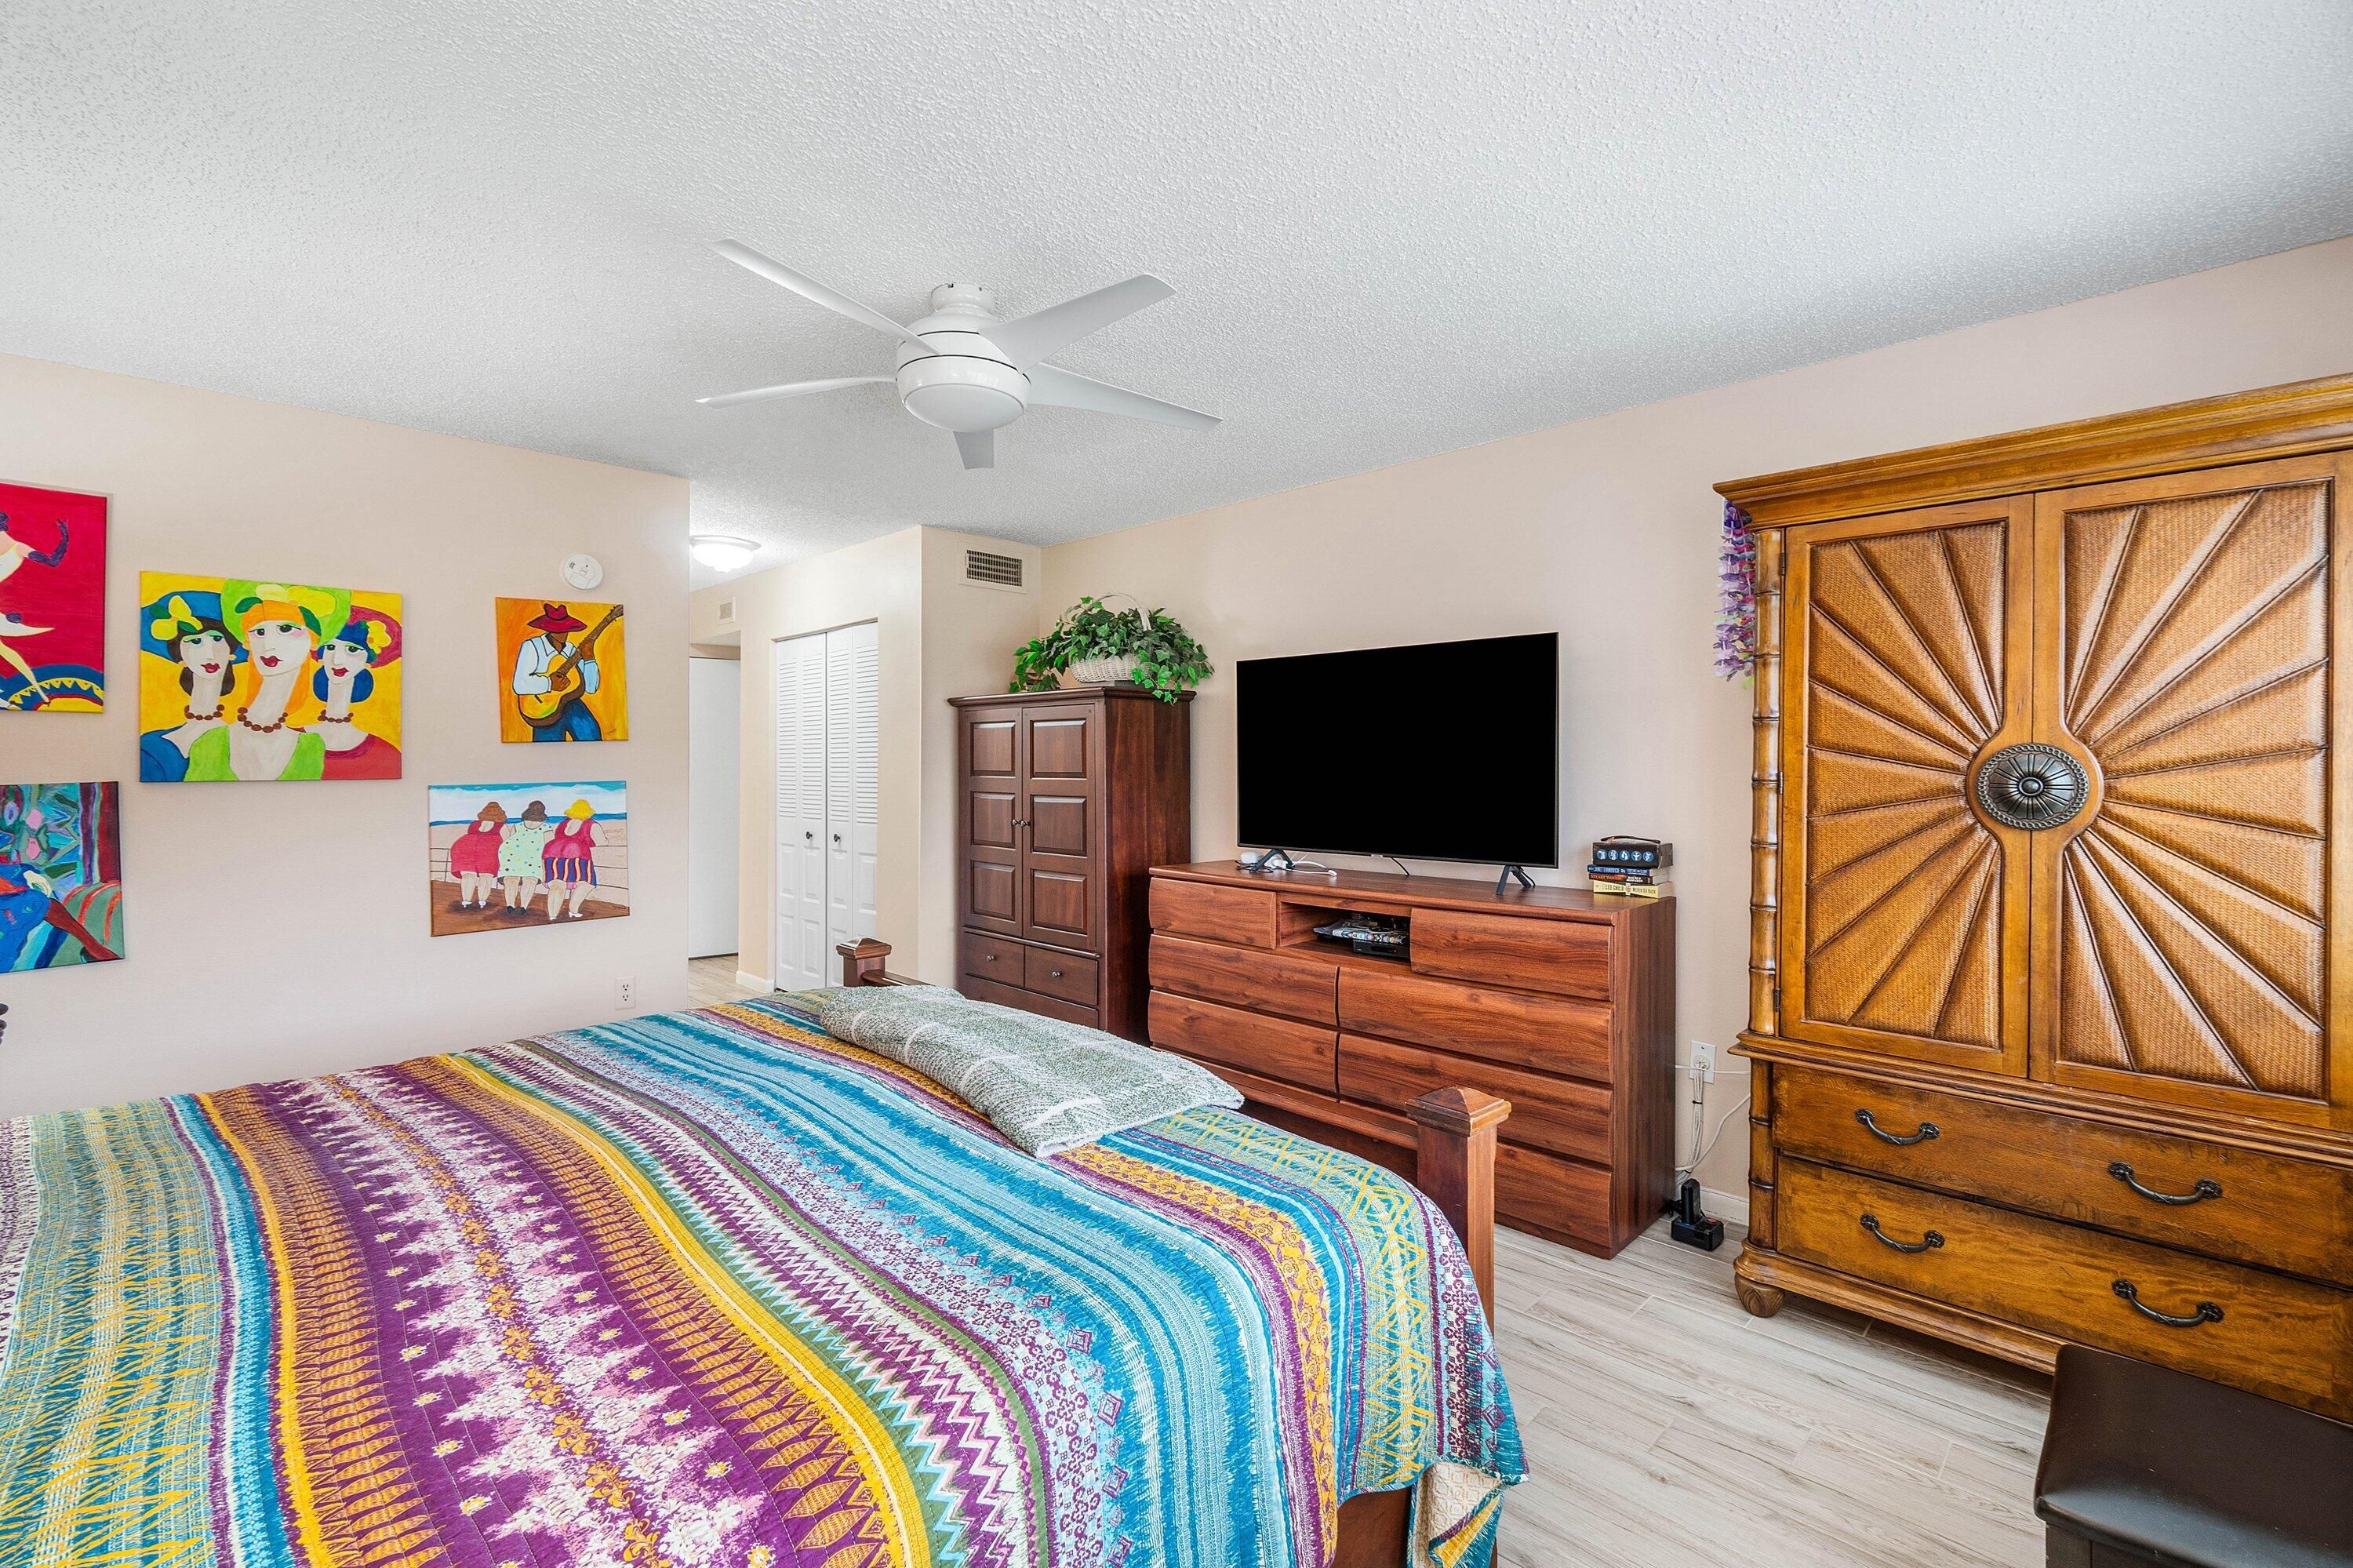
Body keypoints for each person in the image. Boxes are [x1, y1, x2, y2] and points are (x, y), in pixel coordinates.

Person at [185, 589, 329, 781]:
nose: (268, 645)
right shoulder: (209, 742)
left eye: (285, 629)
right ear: (248, 643)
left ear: (313, 640)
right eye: (259, 632)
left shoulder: (311, 746)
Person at [138, 596, 238, 783]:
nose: (209, 653)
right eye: (195, 641)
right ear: (180, 656)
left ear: (231, 652)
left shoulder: (241, 740)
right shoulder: (151, 746)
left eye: (217, 639)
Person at [314, 613, 401, 780]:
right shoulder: (293, 738)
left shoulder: (387, 755)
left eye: (352, 650)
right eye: (330, 647)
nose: (337, 660)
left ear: (367, 660)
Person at [511, 603, 602, 742]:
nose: (562, 633)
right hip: (543, 710)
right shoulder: (532, 646)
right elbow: (519, 684)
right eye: (557, 629)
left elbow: (590, 687)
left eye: (565, 629)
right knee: (548, 747)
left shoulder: (571, 650)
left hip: (571, 703)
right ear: (548, 628)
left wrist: (590, 659)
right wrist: (549, 684)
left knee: (591, 734)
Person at [541, 798, 601, 920]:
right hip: (577, 855)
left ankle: (552, 916)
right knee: (586, 883)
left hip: (551, 854)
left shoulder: (563, 823)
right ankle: (573, 910)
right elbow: (601, 841)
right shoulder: (590, 824)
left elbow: (558, 837)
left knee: (557, 885)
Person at [499, 799, 556, 912]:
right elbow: (550, 847)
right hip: (534, 857)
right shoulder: (546, 828)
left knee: (511, 879)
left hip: (513, 856)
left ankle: (510, 904)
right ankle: (523, 906)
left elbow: (510, 841)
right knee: (530, 880)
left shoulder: (517, 826)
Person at [446, 801, 505, 909]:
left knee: (468, 876)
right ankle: (482, 901)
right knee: (485, 877)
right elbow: (507, 843)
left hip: (467, 849)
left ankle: (466, 901)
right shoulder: (501, 826)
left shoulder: (474, 824)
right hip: (488, 851)